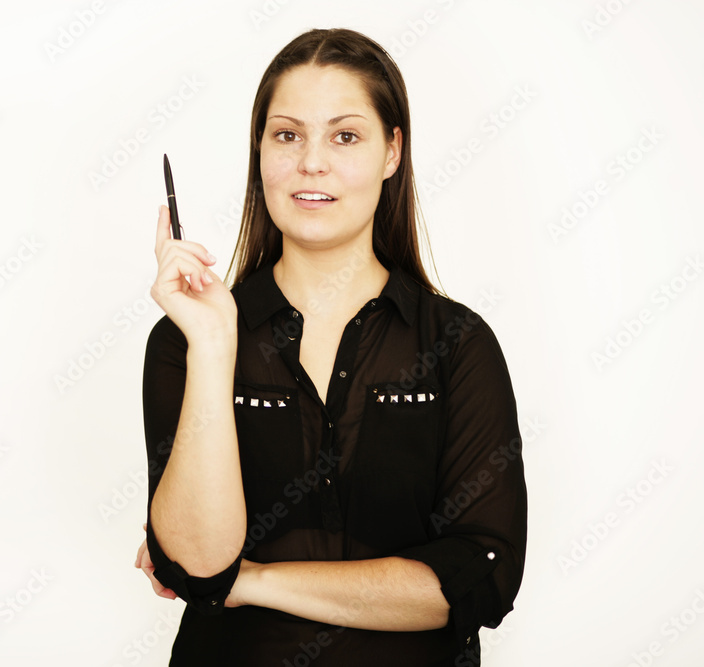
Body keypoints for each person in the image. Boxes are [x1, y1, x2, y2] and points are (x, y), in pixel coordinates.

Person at [134, 27, 527, 666]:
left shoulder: (457, 344)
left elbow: (480, 575)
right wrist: (212, 344)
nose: (311, 162)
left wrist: (254, 581)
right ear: (259, 151)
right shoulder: (187, 341)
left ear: (392, 151)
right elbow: (198, 565)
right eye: (287, 135)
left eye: (345, 136)